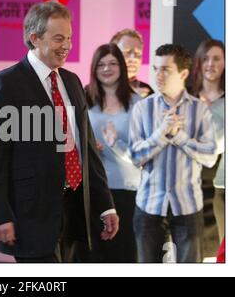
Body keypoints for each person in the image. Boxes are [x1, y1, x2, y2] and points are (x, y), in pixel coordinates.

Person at [0, 0, 119, 263]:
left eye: (69, 38)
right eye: (58, 39)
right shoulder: (6, 84)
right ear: (34, 38)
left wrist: (105, 205)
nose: (66, 45)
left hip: (73, 210)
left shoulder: (72, 81)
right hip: (29, 214)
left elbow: (85, 149)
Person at [129, 44, 217, 262]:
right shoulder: (142, 108)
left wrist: (179, 137)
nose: (158, 75)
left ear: (183, 73)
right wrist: (161, 133)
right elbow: (135, 157)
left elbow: (210, 156)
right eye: (156, 68)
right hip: (149, 205)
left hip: (187, 206)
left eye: (165, 69)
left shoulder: (200, 110)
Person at [85, 43, 142, 262]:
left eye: (112, 63)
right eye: (101, 64)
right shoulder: (84, 98)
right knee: (93, 257)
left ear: (122, 67)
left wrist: (114, 143)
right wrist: (90, 149)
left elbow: (141, 156)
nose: (106, 69)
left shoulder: (138, 104)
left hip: (128, 190)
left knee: (125, 255)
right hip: (94, 190)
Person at [189, 39, 225, 252]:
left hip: (220, 182)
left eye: (217, 58)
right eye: (206, 58)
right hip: (191, 178)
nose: (210, 64)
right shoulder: (187, 96)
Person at [110, 28, 154, 98]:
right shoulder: (98, 90)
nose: (134, 58)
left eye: (138, 54)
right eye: (127, 52)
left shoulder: (148, 92)